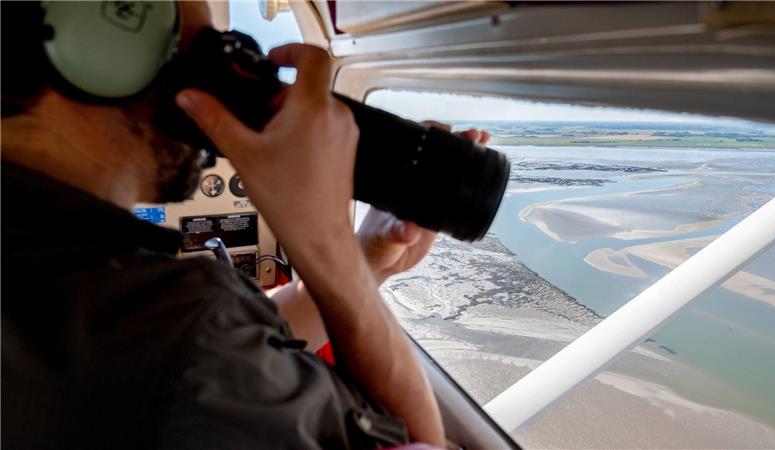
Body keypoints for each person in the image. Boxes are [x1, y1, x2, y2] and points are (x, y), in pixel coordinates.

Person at [1, 1, 489, 449]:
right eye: (206, 53)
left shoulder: (72, 282)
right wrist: (330, 251)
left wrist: (364, 262)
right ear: (92, 38)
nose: (229, 86)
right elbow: (418, 443)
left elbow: (232, 349)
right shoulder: (177, 327)